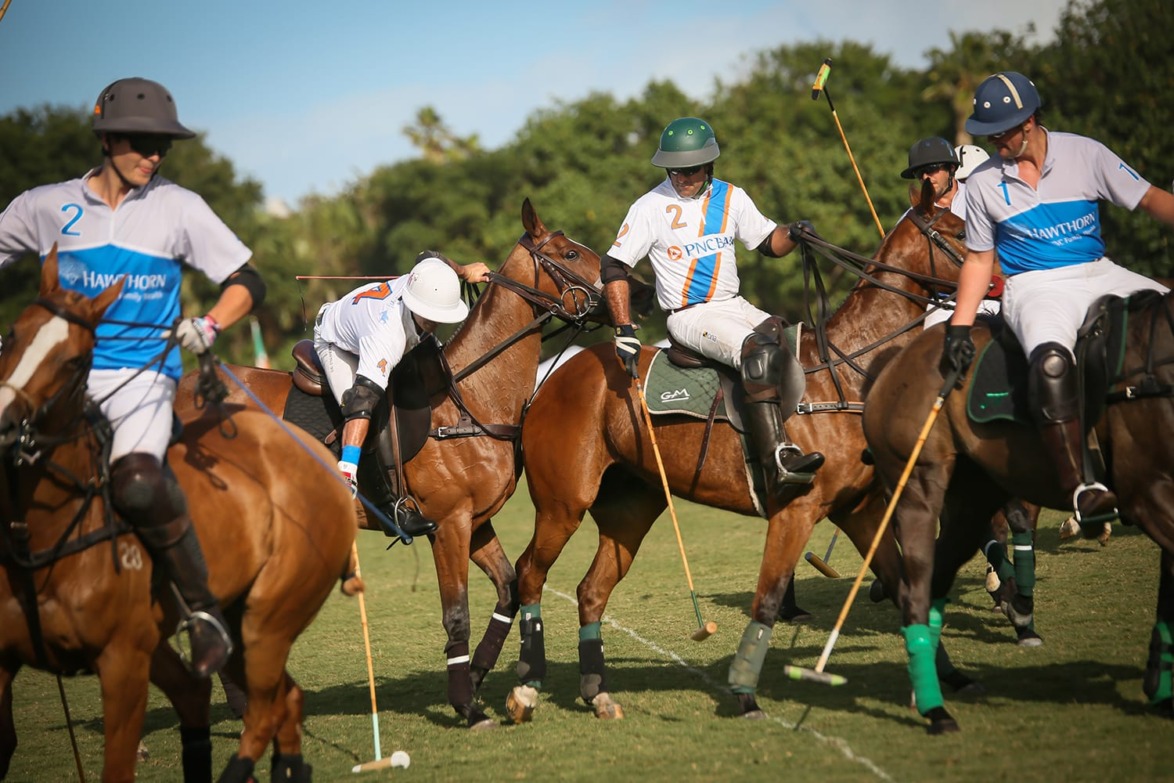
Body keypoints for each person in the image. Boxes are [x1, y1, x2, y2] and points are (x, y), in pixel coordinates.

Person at [0, 77, 268, 678]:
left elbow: (248, 280)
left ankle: (203, 615)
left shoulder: (179, 207)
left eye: (162, 146)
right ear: (106, 136)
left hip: (142, 378)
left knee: (140, 483)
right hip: (59, 380)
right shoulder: (47, 206)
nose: (154, 155)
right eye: (144, 143)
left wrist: (212, 323)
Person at [943, 71, 1174, 525]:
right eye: (987, 134)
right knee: (1050, 361)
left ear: (1029, 121)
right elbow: (977, 260)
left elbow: (1147, 198)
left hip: (1098, 270)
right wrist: (958, 326)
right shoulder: (985, 183)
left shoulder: (1085, 153)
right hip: (1035, 285)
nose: (994, 143)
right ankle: (1081, 487)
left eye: (1001, 132)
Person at [601, 116, 824, 498]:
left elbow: (769, 243)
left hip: (733, 304)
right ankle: (777, 460)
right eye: (675, 170)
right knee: (757, 352)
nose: (682, 177)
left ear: (709, 165)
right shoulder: (649, 207)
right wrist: (622, 328)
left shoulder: (731, 196)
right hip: (689, 315)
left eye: (691, 170)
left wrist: (795, 231)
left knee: (793, 338)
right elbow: (614, 266)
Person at [313, 252, 489, 537]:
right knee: (366, 411)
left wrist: (464, 270)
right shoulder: (386, 338)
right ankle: (386, 507)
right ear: (418, 307)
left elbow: (431, 257)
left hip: (383, 321)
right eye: (432, 317)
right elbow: (361, 401)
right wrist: (346, 470)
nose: (437, 322)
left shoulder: (424, 279)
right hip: (336, 342)